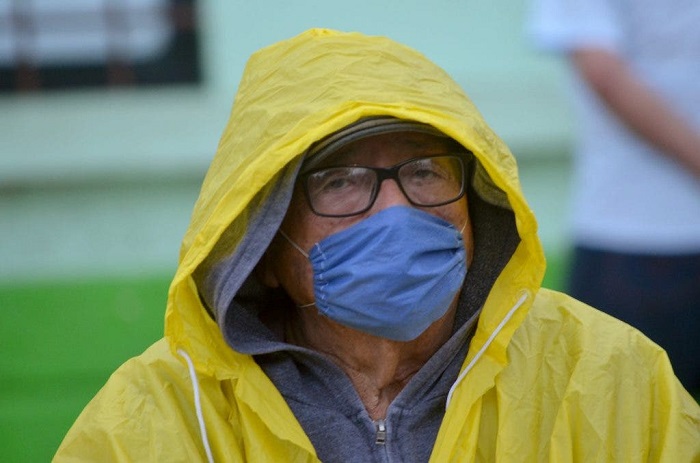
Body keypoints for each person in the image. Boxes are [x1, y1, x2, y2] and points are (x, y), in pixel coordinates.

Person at [54, 28, 699, 462]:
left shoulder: (607, 378)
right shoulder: (160, 421)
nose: (396, 209)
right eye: (341, 182)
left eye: (424, 172)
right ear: (265, 247)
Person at [528, 0, 700, 393]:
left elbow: (603, 69)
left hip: (634, 237)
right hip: (637, 233)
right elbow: (604, 73)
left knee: (618, 427)